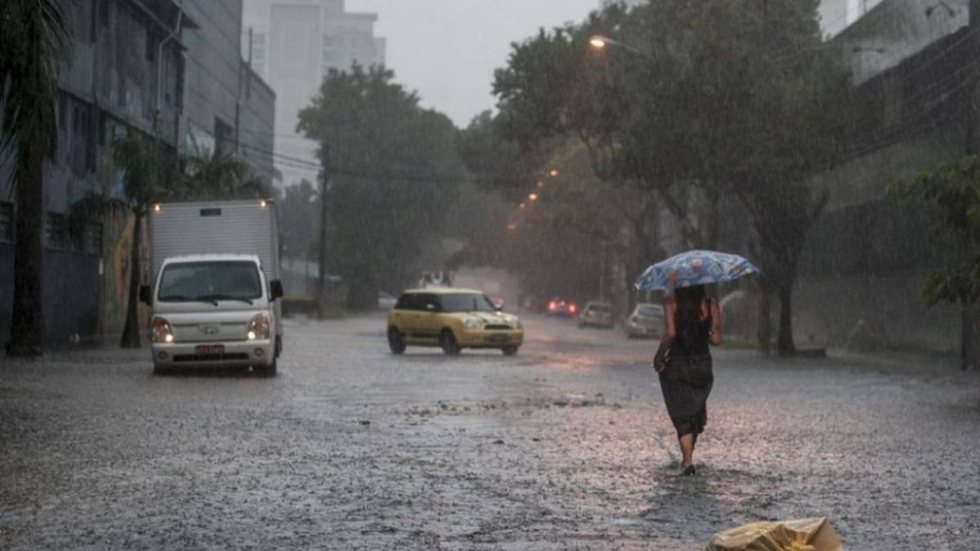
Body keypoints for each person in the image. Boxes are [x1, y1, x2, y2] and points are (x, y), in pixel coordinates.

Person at [653, 284, 721, 476]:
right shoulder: (711, 304)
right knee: (694, 412)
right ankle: (688, 457)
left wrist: (658, 356)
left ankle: (687, 461)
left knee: (682, 413)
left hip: (678, 364)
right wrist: (701, 330)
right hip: (702, 365)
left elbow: (671, 334)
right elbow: (716, 339)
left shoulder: (671, 302)